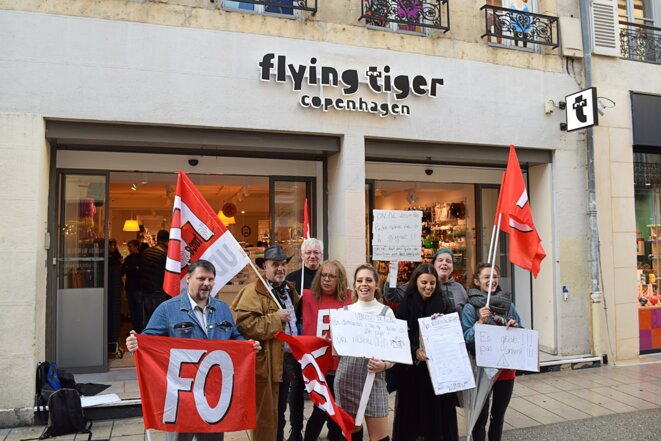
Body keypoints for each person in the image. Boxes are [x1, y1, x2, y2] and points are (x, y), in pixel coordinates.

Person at [125, 259, 261, 441]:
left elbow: (234, 337)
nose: (206, 284)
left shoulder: (222, 309)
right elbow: (148, 341)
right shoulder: (167, 309)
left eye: (211, 279)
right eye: (201, 278)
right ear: (188, 279)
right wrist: (136, 343)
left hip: (214, 397)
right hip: (181, 397)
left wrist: (247, 346)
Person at [232, 245, 300, 441]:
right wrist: (276, 318)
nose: (280, 269)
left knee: (280, 411)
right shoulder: (252, 291)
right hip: (266, 364)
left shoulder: (289, 290)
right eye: (275, 265)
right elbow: (245, 325)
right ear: (265, 267)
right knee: (265, 415)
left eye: (283, 264)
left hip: (287, 360)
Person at [392, 264, 458, 441]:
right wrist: (414, 350)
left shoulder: (443, 303)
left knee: (437, 414)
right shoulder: (406, 303)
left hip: (437, 373)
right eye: (424, 283)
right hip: (412, 373)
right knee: (412, 414)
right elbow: (400, 334)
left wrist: (443, 323)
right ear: (416, 282)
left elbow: (452, 332)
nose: (428, 287)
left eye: (432, 283)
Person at [460, 263, 522, 441]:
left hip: (505, 369)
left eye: (494, 277)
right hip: (481, 369)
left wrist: (514, 327)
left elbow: (522, 331)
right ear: (477, 281)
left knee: (498, 416)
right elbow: (466, 339)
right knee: (480, 416)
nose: (492, 280)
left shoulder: (508, 306)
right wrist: (479, 322)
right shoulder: (470, 307)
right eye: (487, 277)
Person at [335, 264, 394, 441]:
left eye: (369, 280)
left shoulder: (386, 312)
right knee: (351, 436)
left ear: (376, 284)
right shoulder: (343, 313)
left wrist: (384, 365)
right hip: (347, 381)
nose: (364, 284)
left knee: (381, 438)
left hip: (374, 381)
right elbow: (337, 351)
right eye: (360, 280)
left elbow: (395, 351)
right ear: (354, 285)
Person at [301, 260, 353, 441]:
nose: (326, 279)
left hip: (340, 366)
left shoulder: (349, 299)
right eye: (323, 275)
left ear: (340, 279)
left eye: (332, 276)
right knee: (321, 409)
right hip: (319, 366)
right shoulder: (307, 298)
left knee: (337, 410)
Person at [284, 238, 323, 441]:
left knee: (321, 384)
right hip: (299, 342)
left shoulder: (327, 277)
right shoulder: (291, 279)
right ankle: (296, 429)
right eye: (308, 252)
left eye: (316, 252)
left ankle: (319, 425)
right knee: (297, 386)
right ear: (302, 255)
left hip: (321, 341)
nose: (312, 256)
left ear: (321, 255)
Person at [384, 248, 468, 313]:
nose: (444, 263)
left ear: (452, 267)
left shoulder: (459, 289)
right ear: (433, 264)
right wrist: (393, 271)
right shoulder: (420, 284)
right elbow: (391, 296)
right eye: (440, 260)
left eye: (448, 261)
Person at [140, 230, 169, 324]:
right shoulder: (166, 254)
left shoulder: (145, 252)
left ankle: (148, 337)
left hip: (146, 291)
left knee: (148, 320)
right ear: (167, 240)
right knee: (160, 321)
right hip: (160, 292)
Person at [122, 239, 143, 332]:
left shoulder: (141, 258)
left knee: (138, 309)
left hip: (138, 287)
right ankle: (135, 328)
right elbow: (123, 270)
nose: (129, 249)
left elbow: (126, 270)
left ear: (136, 247)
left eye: (130, 247)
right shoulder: (128, 258)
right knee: (133, 309)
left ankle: (138, 328)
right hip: (131, 287)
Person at [107, 238, 123, 348]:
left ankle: (113, 336)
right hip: (112, 288)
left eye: (113, 245)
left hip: (113, 288)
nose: (112, 248)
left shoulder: (114, 259)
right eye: (110, 245)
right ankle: (112, 336)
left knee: (114, 310)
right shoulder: (115, 259)